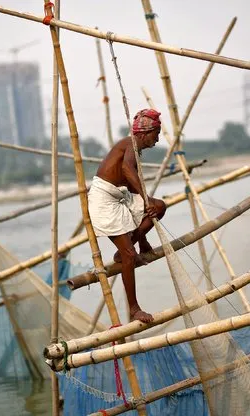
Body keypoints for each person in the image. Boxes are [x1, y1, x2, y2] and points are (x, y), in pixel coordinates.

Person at [88, 109, 167, 323]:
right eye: (156, 134)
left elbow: (133, 191)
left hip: (120, 197)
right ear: (144, 133)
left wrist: (143, 237)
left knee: (159, 207)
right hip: (104, 201)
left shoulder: (135, 150)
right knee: (130, 257)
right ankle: (134, 309)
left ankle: (129, 246)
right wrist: (146, 199)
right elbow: (127, 171)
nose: (157, 139)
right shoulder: (131, 143)